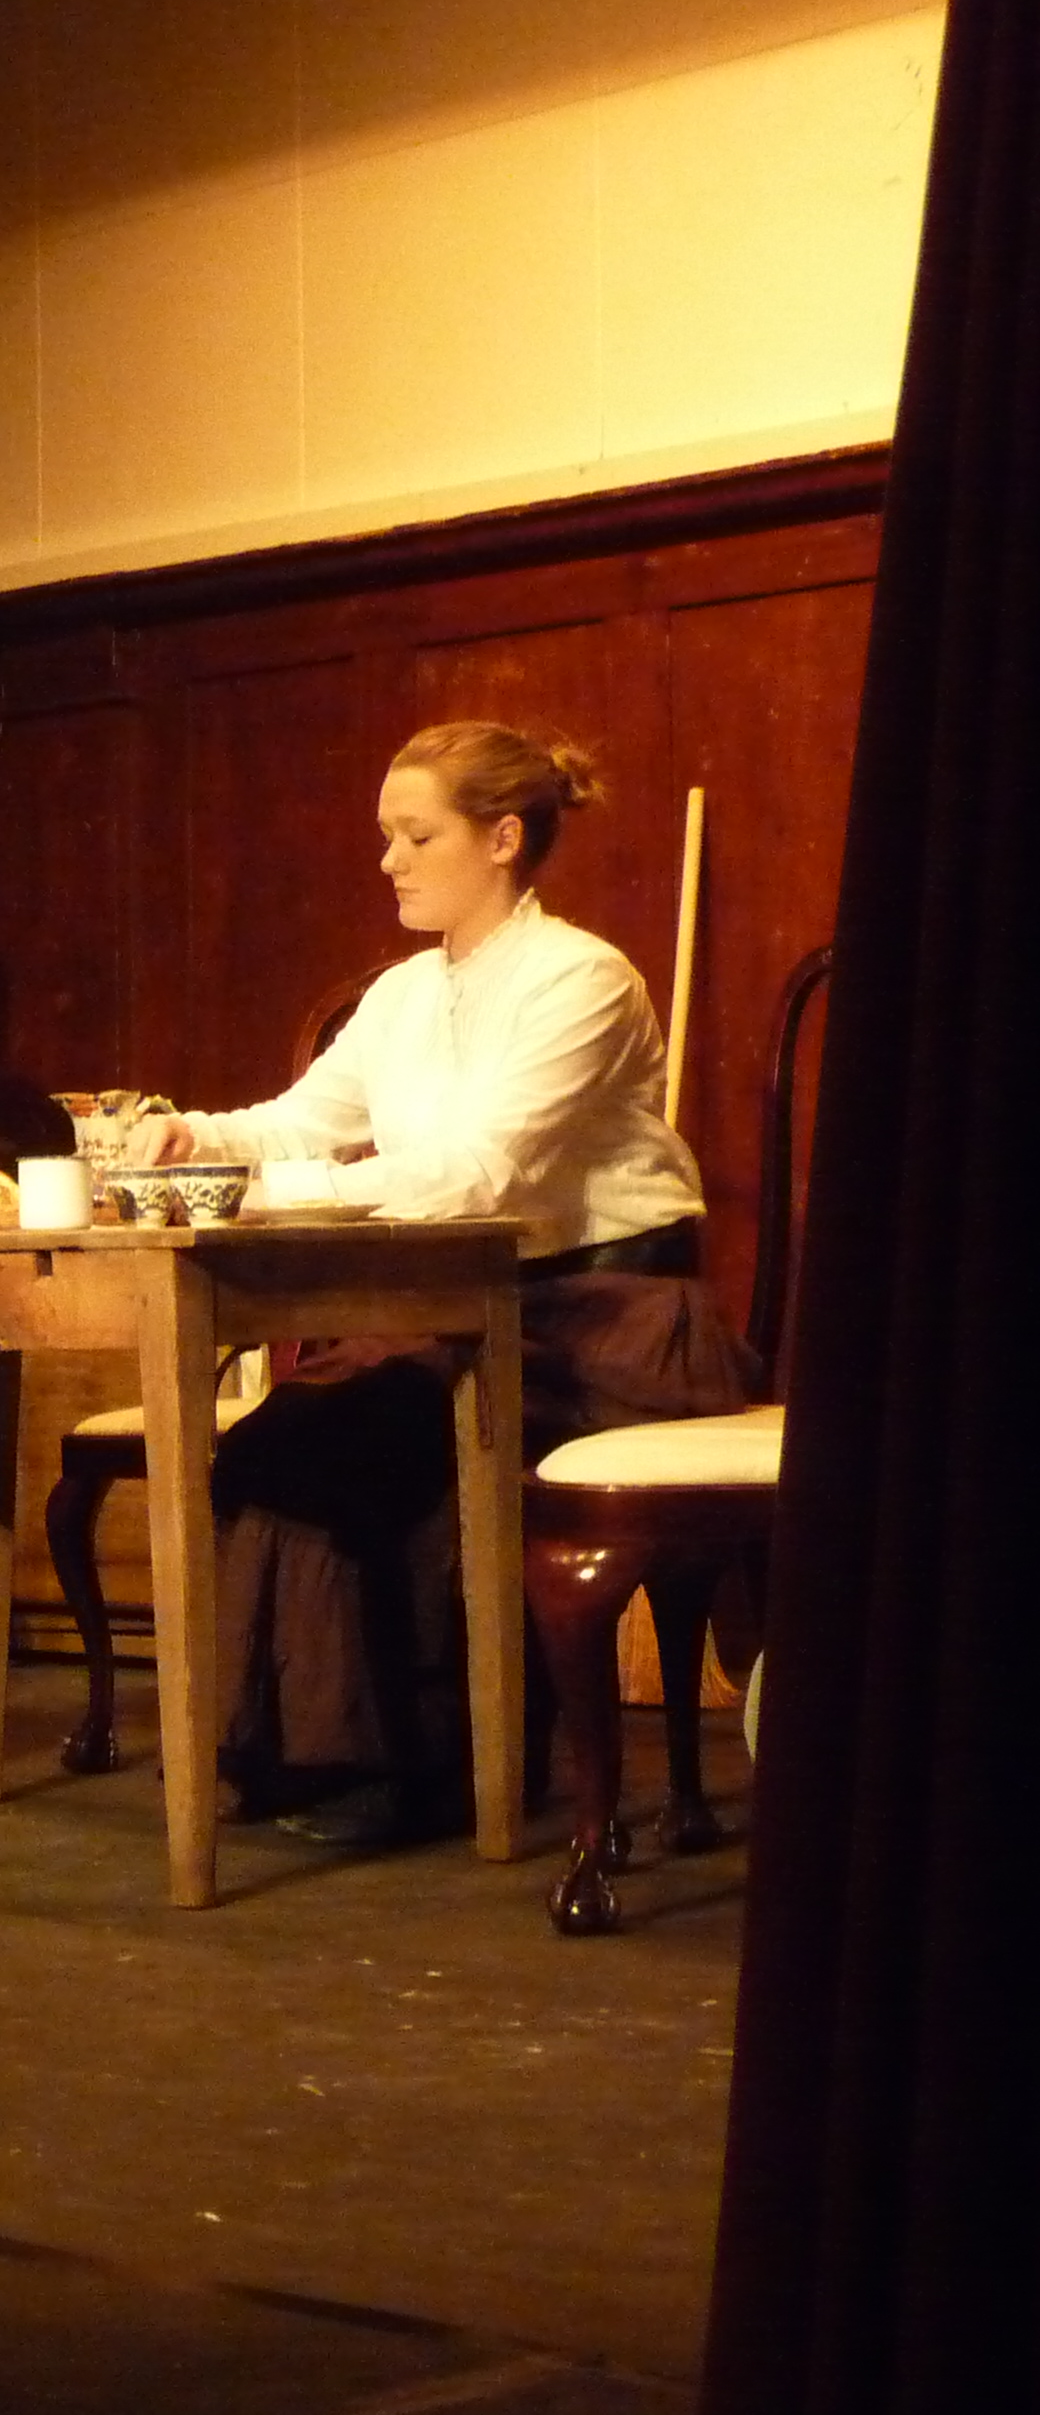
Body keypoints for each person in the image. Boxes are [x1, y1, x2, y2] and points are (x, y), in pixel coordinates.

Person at [123, 721, 755, 1843]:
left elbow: (479, 1172)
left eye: (416, 837)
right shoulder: (405, 993)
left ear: (502, 839)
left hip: (603, 1320)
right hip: (461, 1307)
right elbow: (299, 1121)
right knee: (279, 1439)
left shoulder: (580, 979)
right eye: (387, 836)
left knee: (388, 1443)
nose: (390, 861)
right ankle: (305, 1751)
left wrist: (264, 1198)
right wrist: (194, 1139)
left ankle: (437, 1768)